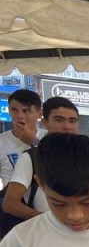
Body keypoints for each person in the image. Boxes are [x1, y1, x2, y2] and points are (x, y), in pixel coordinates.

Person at [2, 96, 80, 224]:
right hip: (40, 229)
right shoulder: (31, 157)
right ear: (45, 121)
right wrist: (50, 221)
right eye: (59, 120)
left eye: (72, 121)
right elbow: (10, 203)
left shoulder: (85, 154)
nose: (67, 126)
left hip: (81, 227)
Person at [0, 89, 41, 185]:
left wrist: (34, 142)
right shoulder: (1, 141)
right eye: (14, 110)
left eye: (25, 111)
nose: (19, 116)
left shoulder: (49, 137)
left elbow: (56, 168)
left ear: (39, 114)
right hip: (10, 193)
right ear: (9, 111)